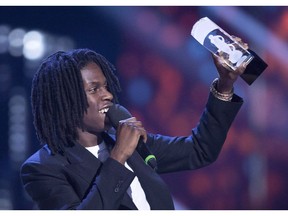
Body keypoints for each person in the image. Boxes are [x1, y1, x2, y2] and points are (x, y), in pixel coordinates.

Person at [20, 37, 247, 210]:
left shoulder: (133, 144)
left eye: (106, 86)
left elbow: (200, 150)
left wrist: (224, 86)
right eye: (94, 89)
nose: (108, 95)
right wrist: (117, 158)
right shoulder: (42, 169)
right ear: (65, 100)